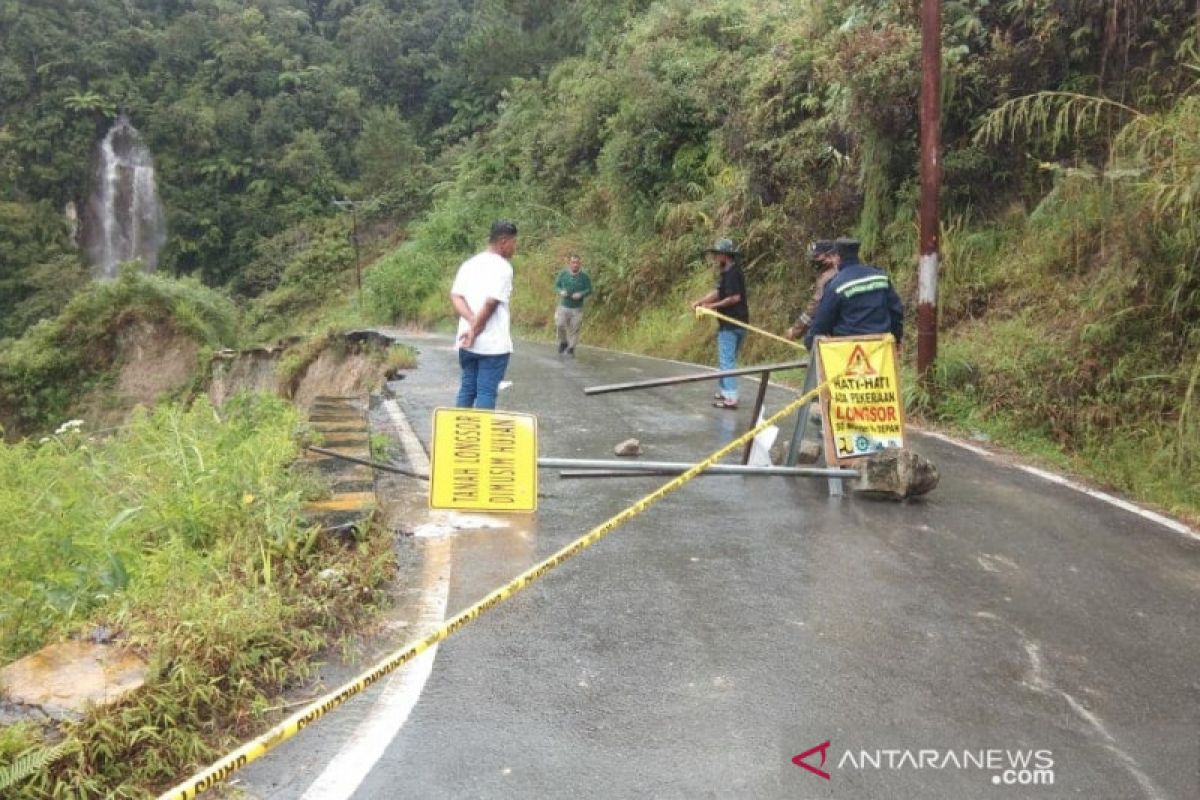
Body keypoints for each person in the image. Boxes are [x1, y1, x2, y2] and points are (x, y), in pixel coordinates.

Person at [450, 220, 517, 409]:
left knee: (468, 389)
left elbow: (456, 296)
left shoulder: (469, 264)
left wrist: (470, 325)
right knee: (486, 392)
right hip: (492, 346)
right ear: (503, 241)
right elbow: (491, 303)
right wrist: (476, 328)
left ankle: (460, 436)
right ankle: (481, 438)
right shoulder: (503, 267)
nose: (515, 247)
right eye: (514, 242)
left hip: (466, 342)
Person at [803, 238, 904, 352]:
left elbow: (822, 322)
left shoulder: (836, 285)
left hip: (850, 352)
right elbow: (896, 312)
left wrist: (809, 341)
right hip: (881, 350)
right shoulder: (880, 277)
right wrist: (897, 338)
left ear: (838, 258)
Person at [691, 237, 749, 409]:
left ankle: (731, 398)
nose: (715, 257)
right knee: (727, 359)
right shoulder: (730, 271)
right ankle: (725, 391)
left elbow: (734, 298)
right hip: (739, 323)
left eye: (717, 254)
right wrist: (701, 301)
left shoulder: (732, 273)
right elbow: (719, 292)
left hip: (731, 324)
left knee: (727, 361)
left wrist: (711, 306)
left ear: (725, 255)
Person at [785, 240, 839, 343]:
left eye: (816, 256)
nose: (813, 260)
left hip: (834, 332)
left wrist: (795, 330)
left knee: (810, 342)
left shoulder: (826, 278)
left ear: (829, 256)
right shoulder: (841, 271)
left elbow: (813, 309)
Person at [553, 253, 592, 356]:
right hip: (564, 305)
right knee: (559, 325)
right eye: (573, 262)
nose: (575, 265)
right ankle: (563, 342)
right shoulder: (563, 274)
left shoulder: (584, 277)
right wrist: (561, 291)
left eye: (577, 263)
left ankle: (571, 348)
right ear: (569, 264)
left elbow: (589, 289)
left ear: (580, 264)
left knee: (575, 329)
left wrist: (581, 294)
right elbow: (556, 285)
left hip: (577, 308)